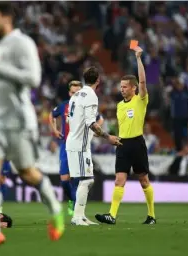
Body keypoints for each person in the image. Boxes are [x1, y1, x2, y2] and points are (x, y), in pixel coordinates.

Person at [0, 3, 64, 253]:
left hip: (19, 121)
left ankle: (55, 210)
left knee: (28, 173)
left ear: (7, 18)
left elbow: (33, 78)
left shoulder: (23, 44)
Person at [95, 46, 156, 225]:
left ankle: (151, 215)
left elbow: (143, 82)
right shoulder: (120, 105)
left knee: (143, 180)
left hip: (137, 143)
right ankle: (112, 215)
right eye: (120, 87)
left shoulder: (141, 99)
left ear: (134, 88)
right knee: (119, 180)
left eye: (125, 87)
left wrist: (138, 59)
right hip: (122, 144)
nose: (121, 89)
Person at [66, 67, 121, 226]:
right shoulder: (91, 96)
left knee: (86, 180)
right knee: (87, 180)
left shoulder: (75, 95)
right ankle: (77, 217)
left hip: (75, 141)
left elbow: (73, 120)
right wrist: (107, 137)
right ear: (98, 80)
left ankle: (80, 216)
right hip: (80, 145)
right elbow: (91, 123)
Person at [49, 80, 104, 216]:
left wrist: (94, 131)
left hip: (81, 145)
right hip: (65, 145)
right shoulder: (64, 106)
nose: (75, 94)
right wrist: (55, 130)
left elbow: (99, 118)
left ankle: (78, 210)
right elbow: (52, 115)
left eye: (78, 92)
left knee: (80, 179)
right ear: (69, 93)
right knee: (64, 179)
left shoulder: (85, 105)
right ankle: (72, 200)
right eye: (73, 92)